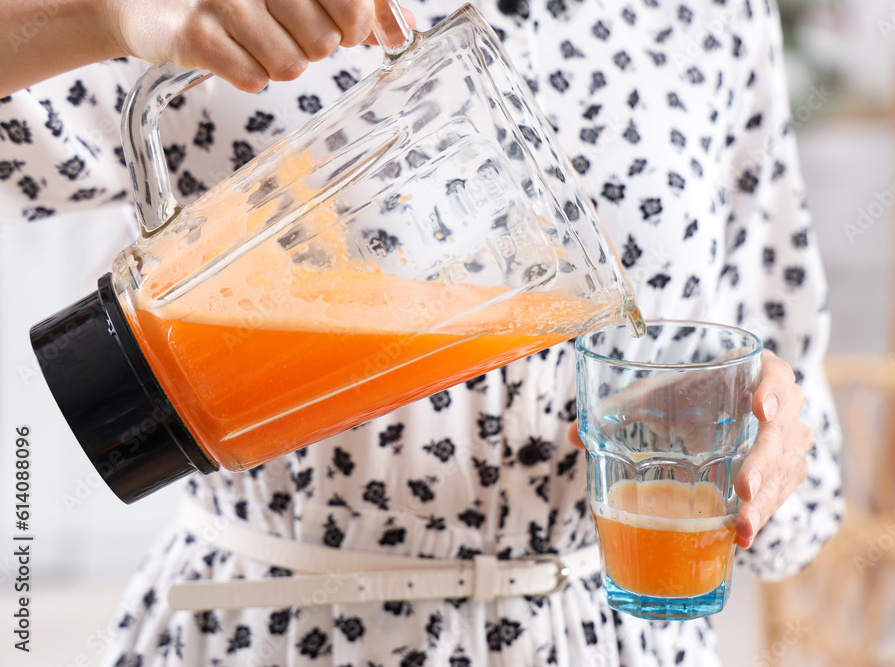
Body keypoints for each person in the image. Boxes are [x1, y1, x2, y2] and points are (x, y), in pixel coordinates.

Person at [0, 0, 843, 664]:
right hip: (277, 633)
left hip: (602, 641)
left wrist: (768, 437)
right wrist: (105, 11)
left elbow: (787, 406)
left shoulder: (715, 15)